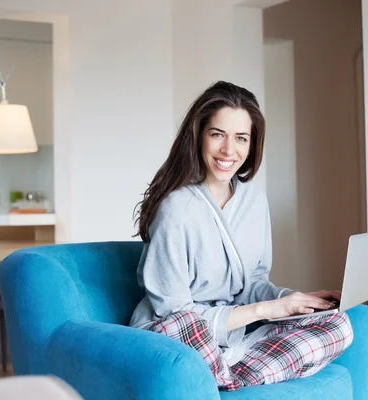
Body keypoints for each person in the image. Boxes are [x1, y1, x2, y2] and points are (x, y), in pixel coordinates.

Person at [129, 81, 353, 391]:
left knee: (338, 325)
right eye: (217, 134)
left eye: (241, 138)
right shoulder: (175, 208)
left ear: (252, 145)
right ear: (198, 137)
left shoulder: (254, 201)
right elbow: (172, 310)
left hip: (236, 335)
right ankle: (236, 371)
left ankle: (224, 374)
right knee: (185, 329)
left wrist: (292, 301)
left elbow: (254, 284)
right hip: (179, 333)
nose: (228, 150)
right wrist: (264, 311)